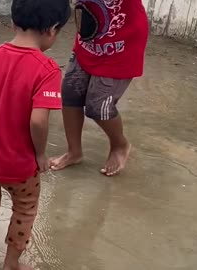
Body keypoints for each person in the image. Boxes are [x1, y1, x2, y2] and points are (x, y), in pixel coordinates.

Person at [0, 0, 71, 269]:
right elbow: (38, 121)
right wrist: (40, 154)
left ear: (13, 22)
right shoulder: (47, 70)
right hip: (20, 166)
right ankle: (11, 265)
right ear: (53, 29)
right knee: (25, 210)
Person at [49, 0, 149, 176]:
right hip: (90, 38)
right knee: (70, 92)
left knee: (98, 106)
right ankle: (74, 152)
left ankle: (120, 145)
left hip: (123, 43)